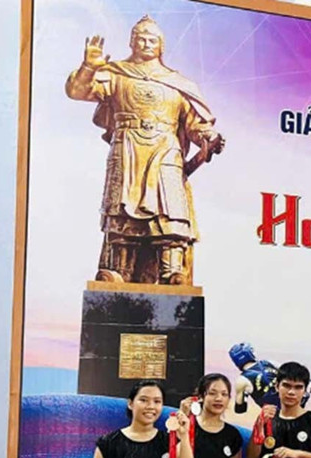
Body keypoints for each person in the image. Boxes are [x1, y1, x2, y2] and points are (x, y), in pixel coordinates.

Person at [65, 16, 223, 284]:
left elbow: (196, 124)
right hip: (127, 148)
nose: (147, 43)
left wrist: (209, 136)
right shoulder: (115, 73)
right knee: (123, 213)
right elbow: (77, 91)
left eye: (153, 40)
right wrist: (88, 67)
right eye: (141, 38)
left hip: (165, 150)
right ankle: (118, 272)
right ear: (131, 42)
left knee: (171, 212)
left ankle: (172, 272)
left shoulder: (176, 83)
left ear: (161, 46)